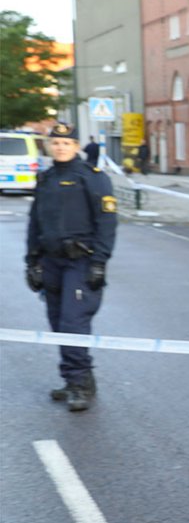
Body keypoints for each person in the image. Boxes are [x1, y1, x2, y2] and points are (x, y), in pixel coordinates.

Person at [24, 122, 118, 412]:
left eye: (67, 143)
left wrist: (100, 262)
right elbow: (35, 222)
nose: (61, 147)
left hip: (82, 261)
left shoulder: (92, 177)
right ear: (49, 146)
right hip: (51, 261)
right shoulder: (47, 178)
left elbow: (106, 222)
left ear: (76, 146)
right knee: (57, 323)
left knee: (72, 322)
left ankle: (79, 384)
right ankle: (76, 378)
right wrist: (32, 261)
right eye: (56, 143)